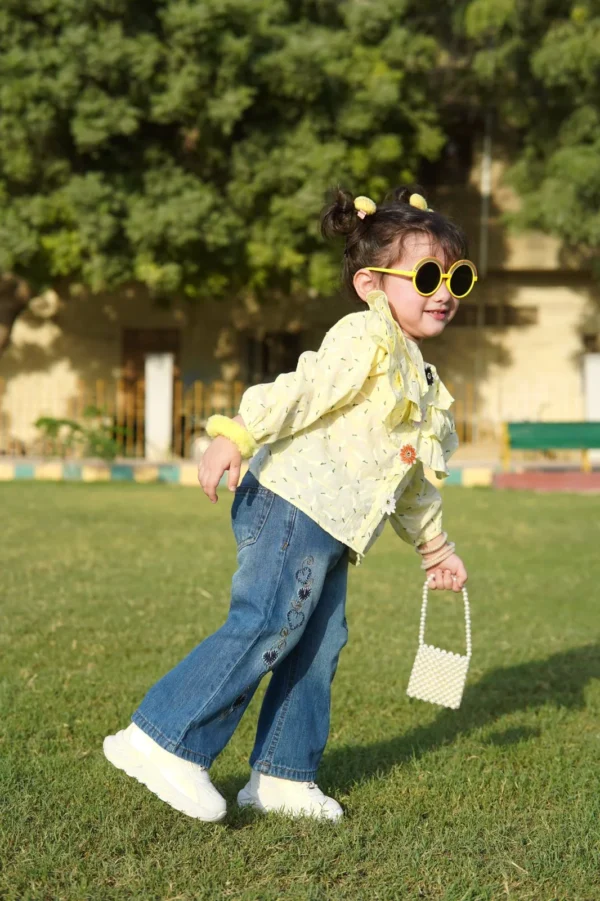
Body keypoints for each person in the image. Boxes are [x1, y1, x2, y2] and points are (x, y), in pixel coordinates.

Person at [103, 186, 472, 823]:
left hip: (335, 529)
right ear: (372, 285)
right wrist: (235, 433)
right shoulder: (366, 340)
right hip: (292, 502)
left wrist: (436, 549)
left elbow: (415, 482)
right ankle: (160, 739)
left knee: (318, 643)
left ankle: (281, 775)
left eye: (457, 277)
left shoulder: (422, 378)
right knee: (270, 621)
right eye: (429, 276)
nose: (445, 291)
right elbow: (301, 389)